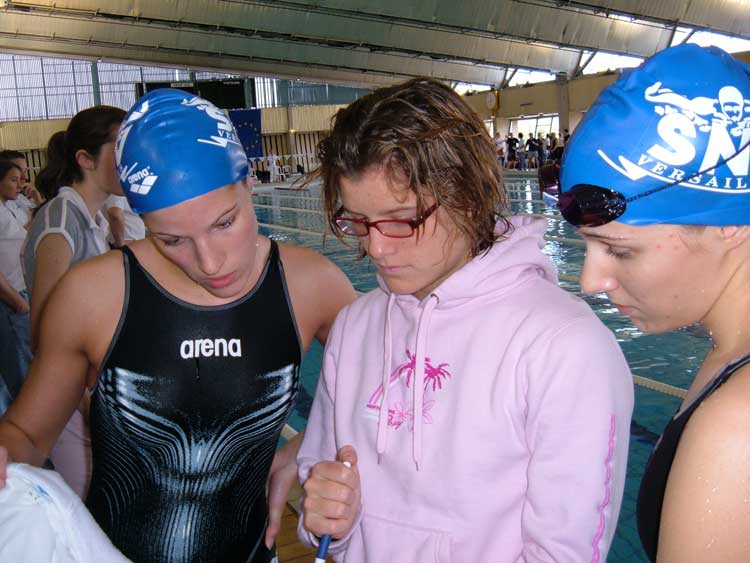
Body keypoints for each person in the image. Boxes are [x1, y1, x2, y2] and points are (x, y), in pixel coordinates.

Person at [0, 88, 356, 563]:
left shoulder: (311, 284)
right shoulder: (93, 296)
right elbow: (27, 435)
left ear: (248, 182)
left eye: (225, 223)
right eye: (171, 239)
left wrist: (308, 445)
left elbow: (395, 384)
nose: (210, 262)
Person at [296, 77, 634, 561]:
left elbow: (563, 554)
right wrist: (325, 516)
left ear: (468, 198)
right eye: (359, 222)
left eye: (401, 219)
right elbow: (320, 486)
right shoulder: (354, 327)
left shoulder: (565, 346)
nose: (376, 248)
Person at [558, 44, 750, 562]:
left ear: (728, 224)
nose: (590, 281)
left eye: (620, 250)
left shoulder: (738, 427)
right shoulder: (731, 358)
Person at [21, 106, 126, 499]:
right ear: (86, 159)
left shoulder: (89, 221)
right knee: (93, 514)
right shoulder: (61, 220)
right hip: (72, 403)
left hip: (90, 396)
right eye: (120, 147)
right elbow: (42, 330)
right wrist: (83, 398)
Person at [0, 161, 32, 410]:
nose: (19, 184)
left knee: (27, 357)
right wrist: (16, 301)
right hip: (10, 296)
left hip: (20, 290)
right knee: (19, 363)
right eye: (12, 179)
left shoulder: (8, 207)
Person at [0, 150, 44, 225]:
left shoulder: (20, 197)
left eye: (25, 171)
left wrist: (37, 199)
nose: (25, 177)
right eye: (19, 172)